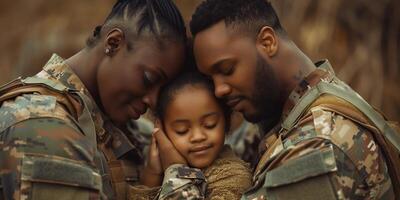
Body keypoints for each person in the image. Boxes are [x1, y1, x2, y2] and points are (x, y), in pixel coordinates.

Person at [154, 0, 400, 199]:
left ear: (267, 42)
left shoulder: (316, 148)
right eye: (211, 79)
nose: (219, 90)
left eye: (227, 70)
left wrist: (178, 172)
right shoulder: (299, 106)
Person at [0, 0, 188, 199]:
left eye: (164, 89)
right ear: (113, 43)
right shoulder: (40, 126)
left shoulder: (140, 133)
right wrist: (181, 178)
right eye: (149, 79)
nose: (154, 100)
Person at [129, 71, 252, 200]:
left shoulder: (233, 176)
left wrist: (177, 169)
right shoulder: (153, 170)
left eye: (210, 125)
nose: (198, 136)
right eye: (181, 130)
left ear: (226, 123)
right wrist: (152, 174)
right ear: (161, 131)